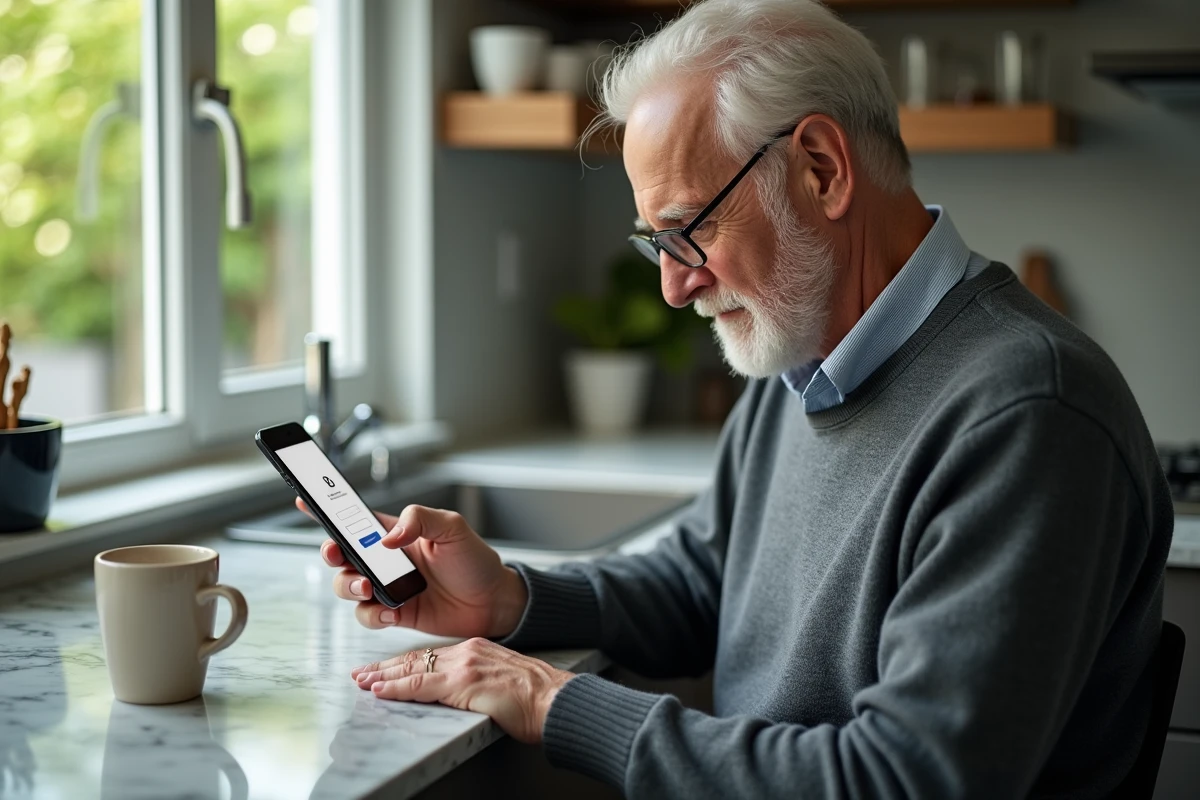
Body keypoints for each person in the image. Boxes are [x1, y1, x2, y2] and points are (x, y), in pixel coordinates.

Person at [312, 0, 1174, 796]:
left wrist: (551, 702)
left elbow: (908, 779)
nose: (675, 289)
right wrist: (511, 598)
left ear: (820, 169)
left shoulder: (1029, 414)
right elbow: (705, 580)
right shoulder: (800, 349)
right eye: (657, 243)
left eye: (689, 230)